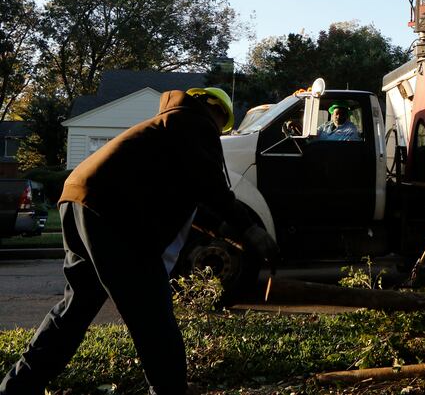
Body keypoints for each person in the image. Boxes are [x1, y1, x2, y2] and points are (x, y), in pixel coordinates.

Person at [0, 87, 278, 395]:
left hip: (79, 196)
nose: (218, 129)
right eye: (221, 121)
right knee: (153, 313)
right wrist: (252, 230)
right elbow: (212, 187)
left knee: (76, 307)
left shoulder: (164, 130)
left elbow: (191, 198)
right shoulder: (193, 122)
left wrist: (225, 232)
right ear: (212, 108)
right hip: (113, 213)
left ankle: (17, 387)